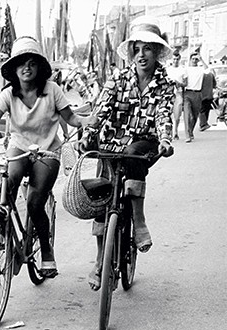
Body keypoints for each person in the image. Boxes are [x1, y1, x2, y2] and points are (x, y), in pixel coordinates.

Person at [0, 37, 85, 278]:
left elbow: (70, 117)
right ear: (14, 70)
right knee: (5, 186)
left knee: (34, 203)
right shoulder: (8, 94)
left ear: (39, 68)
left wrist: (86, 122)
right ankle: (2, 232)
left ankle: (47, 252)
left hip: (47, 150)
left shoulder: (53, 91)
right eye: (21, 64)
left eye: (31, 63)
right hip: (19, 147)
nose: (26, 68)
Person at [78, 18, 175, 291]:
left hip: (143, 143)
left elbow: (164, 115)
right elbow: (101, 111)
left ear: (157, 52)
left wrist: (165, 140)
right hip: (112, 144)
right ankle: (100, 262)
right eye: (138, 48)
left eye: (148, 49)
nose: (142, 54)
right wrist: (88, 135)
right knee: (102, 199)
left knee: (134, 156)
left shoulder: (165, 84)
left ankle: (139, 222)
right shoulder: (118, 78)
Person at [183, 52, 207, 142]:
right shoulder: (186, 69)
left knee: (194, 116)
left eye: (196, 59)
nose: (194, 61)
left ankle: (190, 131)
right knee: (187, 114)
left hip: (197, 93)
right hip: (188, 93)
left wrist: (201, 59)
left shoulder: (200, 69)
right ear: (190, 60)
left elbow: (208, 70)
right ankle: (187, 135)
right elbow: (183, 79)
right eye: (192, 59)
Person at [166, 50, 186, 140]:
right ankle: (169, 133)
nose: (175, 61)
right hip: (168, 94)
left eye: (177, 59)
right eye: (174, 59)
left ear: (179, 59)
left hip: (178, 93)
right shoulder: (167, 70)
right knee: (167, 114)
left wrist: (179, 83)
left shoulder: (182, 70)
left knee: (177, 115)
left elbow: (185, 83)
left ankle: (176, 130)